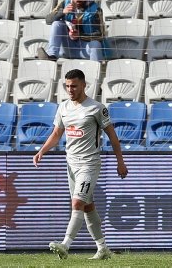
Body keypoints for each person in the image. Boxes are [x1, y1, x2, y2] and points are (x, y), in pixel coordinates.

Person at [32, 68, 128, 261]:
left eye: (74, 86)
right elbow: (57, 134)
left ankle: (65, 245)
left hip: (89, 164)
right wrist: (42, 151)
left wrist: (120, 162)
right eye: (67, 86)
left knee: (77, 202)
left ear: (84, 85)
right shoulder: (63, 108)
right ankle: (102, 248)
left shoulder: (96, 108)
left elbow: (112, 136)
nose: (70, 89)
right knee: (87, 206)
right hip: (71, 165)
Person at [38, 0, 107, 62]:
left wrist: (80, 35)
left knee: (96, 44)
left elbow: (100, 35)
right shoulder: (64, 4)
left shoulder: (96, 10)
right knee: (57, 23)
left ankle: (95, 70)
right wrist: (62, 12)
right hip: (67, 47)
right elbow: (48, 20)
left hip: (86, 48)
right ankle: (52, 56)